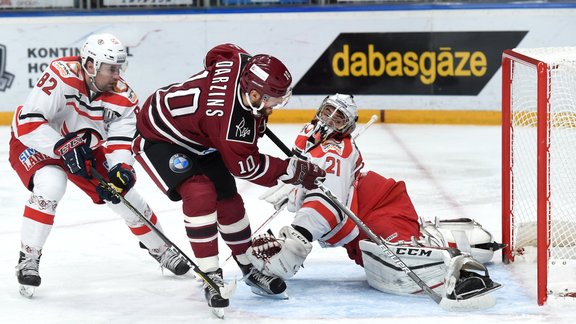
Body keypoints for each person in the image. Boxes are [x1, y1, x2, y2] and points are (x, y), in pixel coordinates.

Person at [247, 94, 503, 303]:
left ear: (348, 127)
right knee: (373, 262)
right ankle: (443, 236)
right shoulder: (307, 135)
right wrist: (293, 189)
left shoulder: (337, 150)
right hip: (359, 217)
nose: (329, 121)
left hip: (382, 207)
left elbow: (327, 202)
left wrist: (297, 240)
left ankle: (463, 273)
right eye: (327, 112)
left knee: (399, 262)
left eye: (339, 119)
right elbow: (310, 180)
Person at [132, 43, 326, 309]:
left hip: (202, 137)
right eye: (270, 100)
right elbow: (247, 167)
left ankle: (248, 267)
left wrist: (252, 113)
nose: (274, 106)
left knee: (229, 200)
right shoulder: (228, 122)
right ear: (254, 93)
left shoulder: (240, 61)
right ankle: (211, 274)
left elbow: (218, 52)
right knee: (199, 194)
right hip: (159, 136)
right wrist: (294, 170)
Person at [9, 33, 190, 298]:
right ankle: (28, 258)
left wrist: (122, 169)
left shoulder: (124, 98)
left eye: (120, 68)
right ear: (91, 65)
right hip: (37, 140)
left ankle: (161, 248)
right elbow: (29, 122)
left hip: (84, 146)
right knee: (51, 184)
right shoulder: (60, 74)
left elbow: (120, 141)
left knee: (123, 195)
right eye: (111, 68)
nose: (118, 75)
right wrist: (62, 147)